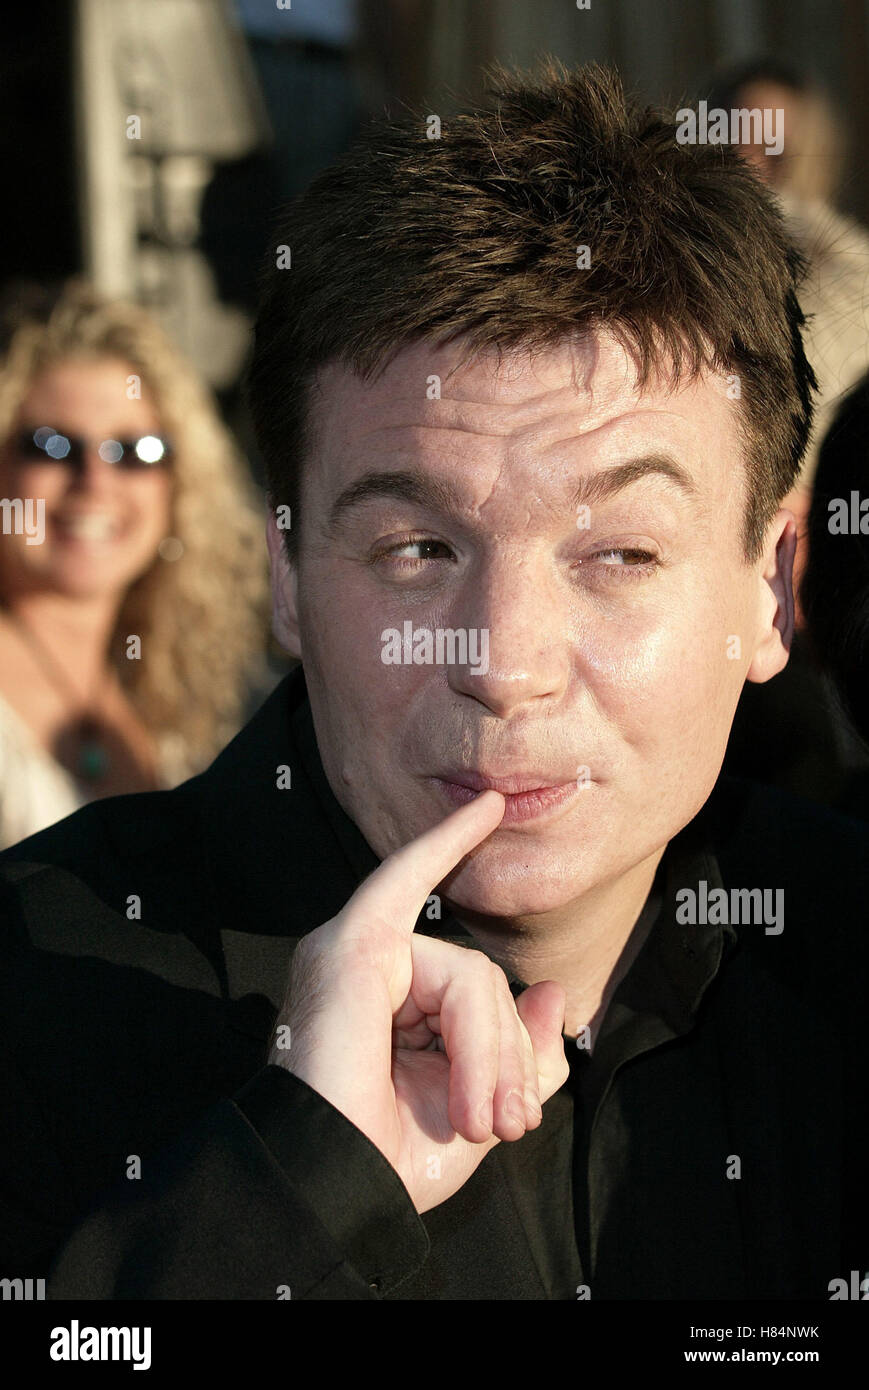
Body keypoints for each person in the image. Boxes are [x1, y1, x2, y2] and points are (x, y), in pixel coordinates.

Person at [0, 61, 866, 1301]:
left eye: (617, 553)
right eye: (418, 551)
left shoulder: (842, 961)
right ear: (287, 576)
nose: (503, 665)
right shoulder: (33, 996)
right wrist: (283, 1196)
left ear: (771, 588)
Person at [0, 280, 268, 848]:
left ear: (181, 486)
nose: (95, 481)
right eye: (51, 445)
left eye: (136, 451)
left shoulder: (182, 694)